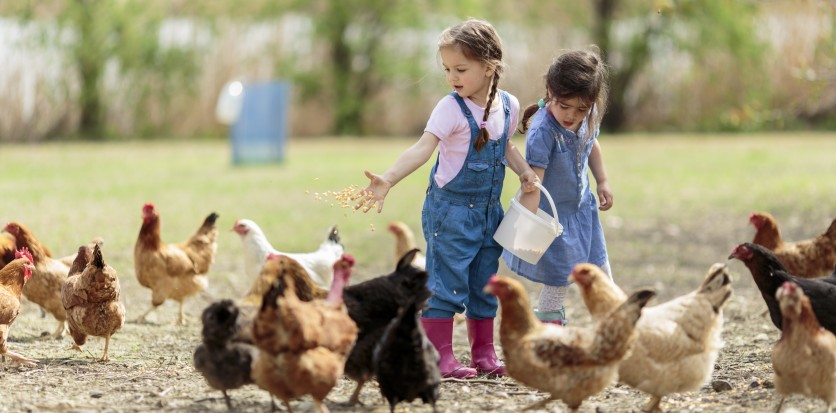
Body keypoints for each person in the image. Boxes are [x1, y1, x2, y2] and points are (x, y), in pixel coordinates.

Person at [355, 18, 538, 379]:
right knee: (445, 282)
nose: (452, 77)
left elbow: (506, 147)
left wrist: (524, 171)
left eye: (461, 69)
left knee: (485, 282)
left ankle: (483, 353)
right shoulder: (450, 108)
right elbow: (423, 149)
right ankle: (439, 356)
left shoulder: (509, 105)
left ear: (489, 67)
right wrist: (388, 178)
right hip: (449, 212)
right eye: (447, 69)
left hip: (490, 212)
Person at [503, 48, 614, 326]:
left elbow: (591, 145)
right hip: (554, 219)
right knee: (559, 280)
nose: (572, 115)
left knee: (600, 270)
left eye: (581, 109)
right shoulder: (543, 131)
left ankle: (613, 322)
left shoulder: (588, 115)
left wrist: (602, 180)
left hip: (582, 211)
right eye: (565, 106)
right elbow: (533, 182)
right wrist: (525, 225)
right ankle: (548, 330)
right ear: (550, 92)